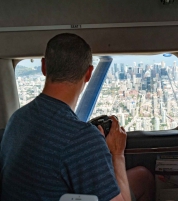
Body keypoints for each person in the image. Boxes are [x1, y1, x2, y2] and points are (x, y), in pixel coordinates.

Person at [0, 33, 154, 201]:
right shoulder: (81, 138)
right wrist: (117, 154)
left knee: (142, 177)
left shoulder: (16, 119)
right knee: (144, 179)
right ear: (88, 74)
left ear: (44, 67)